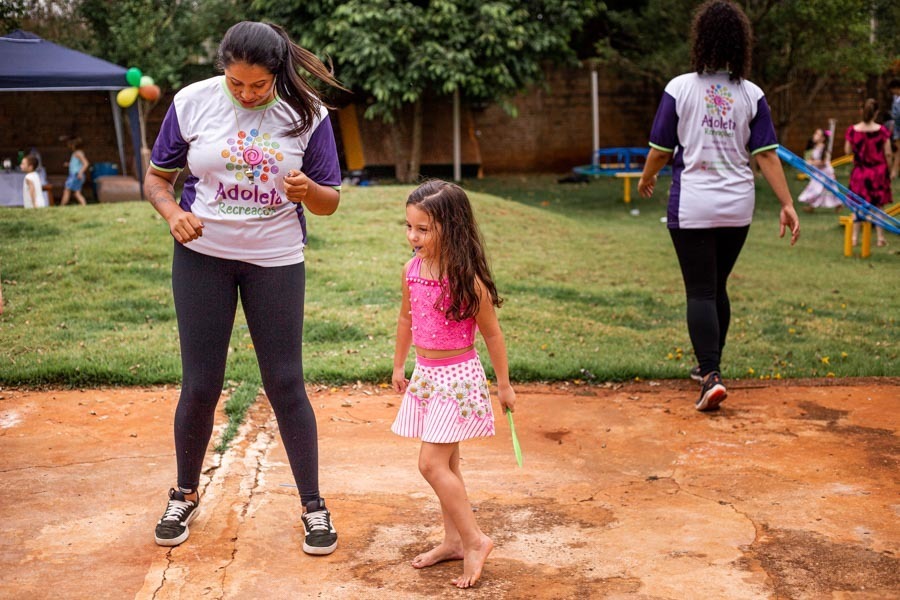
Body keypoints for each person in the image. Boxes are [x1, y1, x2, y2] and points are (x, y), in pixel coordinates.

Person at [144, 21, 344, 555]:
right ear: (222, 70)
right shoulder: (192, 102)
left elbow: (330, 202)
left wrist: (308, 191)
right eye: (236, 83)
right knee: (200, 383)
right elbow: (157, 178)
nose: (248, 94)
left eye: (258, 85)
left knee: (285, 381)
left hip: (275, 259)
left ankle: (313, 506)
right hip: (202, 258)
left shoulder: (308, 116)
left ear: (278, 73)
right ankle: (183, 493)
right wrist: (171, 214)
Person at [638, 0, 800, 412]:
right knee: (716, 286)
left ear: (700, 39)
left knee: (701, 290)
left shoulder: (680, 88)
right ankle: (709, 368)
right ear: (740, 43)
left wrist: (646, 177)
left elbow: (660, 149)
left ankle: (710, 375)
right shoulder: (752, 93)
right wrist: (786, 204)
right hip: (738, 207)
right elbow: (765, 155)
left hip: (694, 204)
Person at [391, 180, 516, 589]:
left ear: (452, 228)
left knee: (430, 464)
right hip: (427, 377)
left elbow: (493, 336)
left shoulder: (467, 280)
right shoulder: (411, 270)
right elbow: (407, 320)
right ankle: (453, 541)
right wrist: (399, 366)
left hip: (458, 379)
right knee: (450, 465)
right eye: (409, 227)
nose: (413, 236)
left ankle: (475, 540)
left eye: (423, 229)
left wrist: (504, 386)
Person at [844, 98, 893, 247]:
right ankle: (880, 238)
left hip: (860, 172)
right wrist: (889, 170)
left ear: (861, 111)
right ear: (876, 113)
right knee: (878, 206)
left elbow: (847, 151)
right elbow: (888, 153)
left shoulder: (852, 130)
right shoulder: (882, 131)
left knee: (857, 205)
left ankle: (854, 238)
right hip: (878, 171)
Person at [797, 128, 842, 212]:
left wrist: (812, 162)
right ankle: (812, 206)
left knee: (828, 189)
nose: (814, 136)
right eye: (815, 134)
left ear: (822, 138)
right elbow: (813, 158)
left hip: (826, 172)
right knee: (816, 188)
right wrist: (808, 163)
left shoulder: (824, 149)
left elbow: (824, 162)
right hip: (819, 172)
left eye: (817, 134)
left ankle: (813, 206)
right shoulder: (815, 147)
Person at [60, 137, 89, 206]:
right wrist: (69, 164)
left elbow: (86, 163)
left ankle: (62, 206)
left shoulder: (78, 153)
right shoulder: (77, 153)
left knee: (66, 190)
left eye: (70, 145)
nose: (69, 146)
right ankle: (84, 205)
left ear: (74, 145)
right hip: (76, 175)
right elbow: (77, 164)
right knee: (77, 193)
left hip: (75, 175)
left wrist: (80, 172)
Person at [889, 79, 900, 180]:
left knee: (897, 151)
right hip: (897, 128)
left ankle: (894, 171)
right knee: (897, 150)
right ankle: (894, 171)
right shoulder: (895, 98)